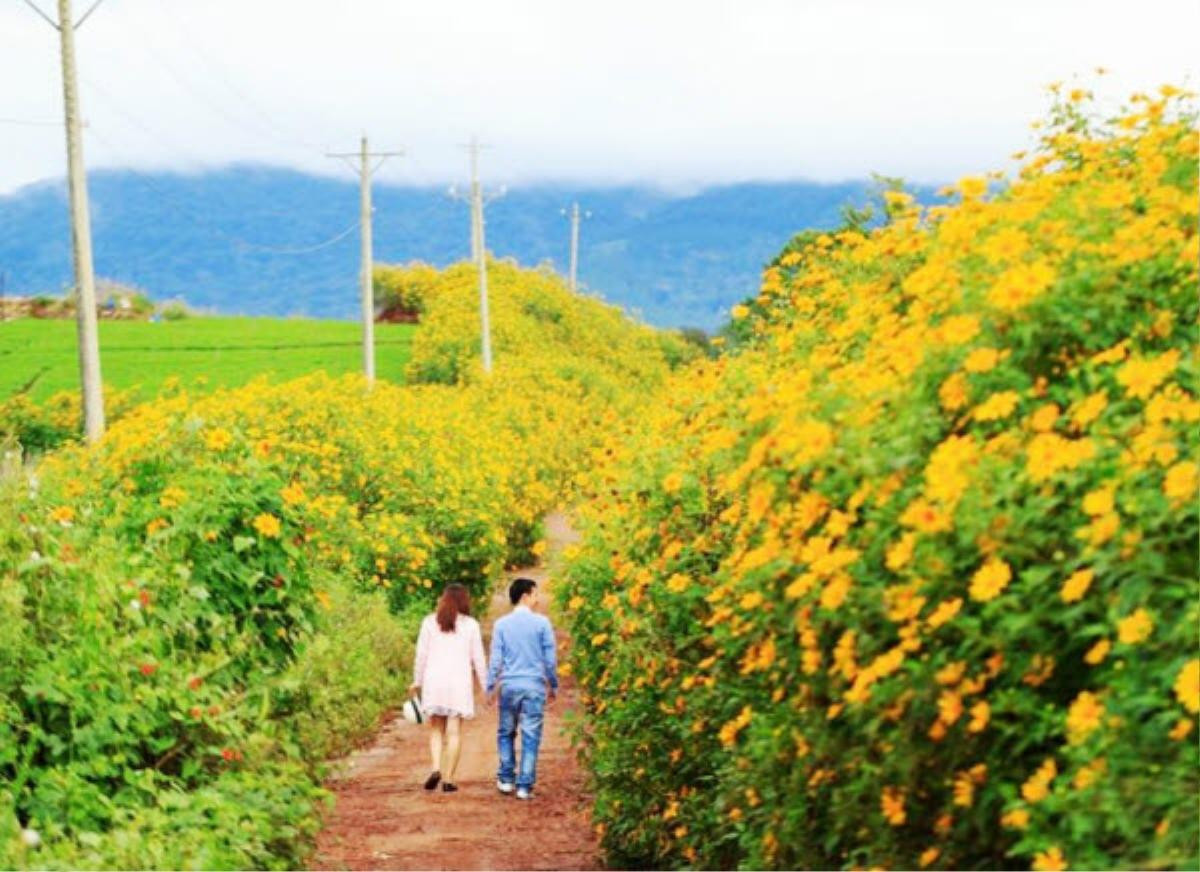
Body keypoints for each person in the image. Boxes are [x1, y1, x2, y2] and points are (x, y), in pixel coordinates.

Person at [409, 583, 488, 793]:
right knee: (454, 732)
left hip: (434, 680)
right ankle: (448, 779)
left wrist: (417, 680)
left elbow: (421, 655)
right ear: (465, 600)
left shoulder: (429, 622)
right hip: (458, 682)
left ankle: (435, 767)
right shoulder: (471, 625)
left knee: (436, 729)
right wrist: (486, 684)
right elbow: (478, 658)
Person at [486, 577, 559, 800]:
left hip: (509, 686)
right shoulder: (542, 624)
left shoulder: (501, 625)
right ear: (525, 596)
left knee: (506, 732)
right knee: (531, 735)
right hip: (534, 687)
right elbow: (550, 660)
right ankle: (524, 786)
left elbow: (496, 660)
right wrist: (553, 684)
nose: (538, 599)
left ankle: (506, 779)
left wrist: (490, 686)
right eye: (536, 594)